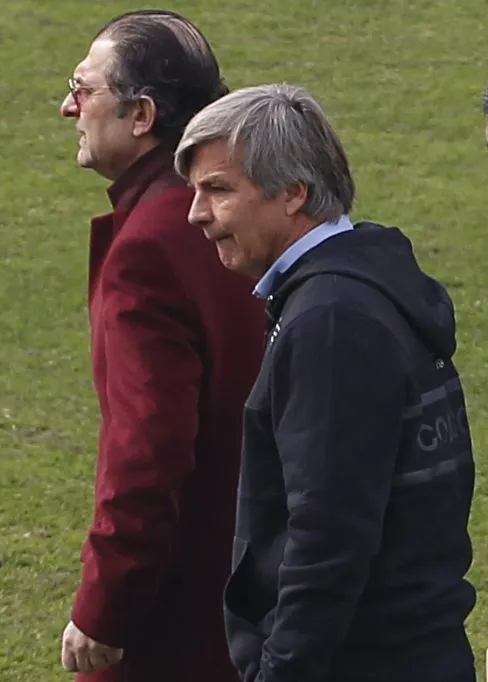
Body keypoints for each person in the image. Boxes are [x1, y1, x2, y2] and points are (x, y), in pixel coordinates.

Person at [175, 83, 478, 682]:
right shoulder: (357, 291)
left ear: (293, 193)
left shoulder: (331, 322)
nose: (196, 214)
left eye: (218, 190)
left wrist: (282, 671)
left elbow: (328, 537)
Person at [57, 10, 265, 681]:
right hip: (267, 582)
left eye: (82, 90)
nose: (68, 108)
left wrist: (104, 605)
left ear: (141, 114)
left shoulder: (147, 248)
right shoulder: (241, 215)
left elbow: (148, 450)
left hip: (181, 615)